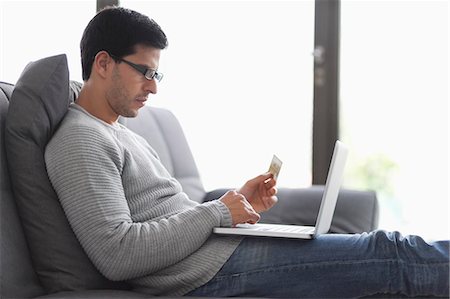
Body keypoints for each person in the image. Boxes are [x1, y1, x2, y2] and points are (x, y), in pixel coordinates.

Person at [44, 6, 449, 298]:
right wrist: (219, 212)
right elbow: (118, 254)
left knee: (384, 263)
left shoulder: (117, 129)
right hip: (205, 275)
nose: (153, 86)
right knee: (390, 252)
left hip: (218, 253)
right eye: (144, 72)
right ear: (103, 63)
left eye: (157, 73)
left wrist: (234, 204)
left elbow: (171, 214)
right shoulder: (81, 140)